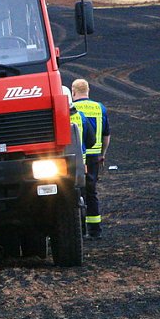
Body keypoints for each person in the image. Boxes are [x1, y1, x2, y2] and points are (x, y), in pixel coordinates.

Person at [71, 78, 110, 238]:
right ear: (88, 90)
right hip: (94, 156)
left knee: (76, 192)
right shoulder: (99, 108)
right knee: (92, 191)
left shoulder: (71, 109)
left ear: (73, 92)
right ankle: (95, 230)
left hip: (76, 156)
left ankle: (79, 231)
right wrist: (103, 154)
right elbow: (106, 135)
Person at [64, 85, 96, 236]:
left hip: (56, 167)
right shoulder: (81, 116)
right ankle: (83, 231)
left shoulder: (50, 117)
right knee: (80, 197)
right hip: (78, 164)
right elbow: (91, 140)